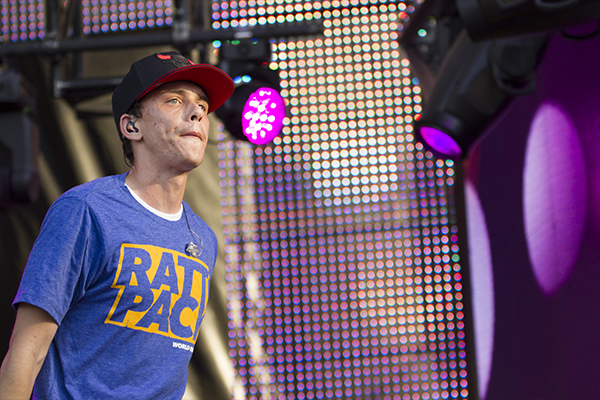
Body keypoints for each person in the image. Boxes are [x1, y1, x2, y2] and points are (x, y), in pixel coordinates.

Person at [0, 51, 234, 400]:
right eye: (174, 100)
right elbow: (26, 353)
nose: (197, 112)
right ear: (131, 126)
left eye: (202, 105)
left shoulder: (203, 238)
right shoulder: (85, 211)